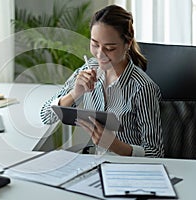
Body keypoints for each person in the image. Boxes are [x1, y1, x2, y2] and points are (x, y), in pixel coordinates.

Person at [40, 5, 164, 158]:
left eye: (109, 48)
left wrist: (115, 145)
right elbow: (46, 116)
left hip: (128, 169)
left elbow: (156, 153)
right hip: (94, 162)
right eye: (94, 44)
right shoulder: (88, 69)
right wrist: (75, 93)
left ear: (128, 44)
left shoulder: (143, 88)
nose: (100, 54)